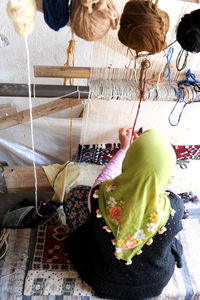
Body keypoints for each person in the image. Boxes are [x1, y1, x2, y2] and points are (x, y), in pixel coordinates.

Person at [64, 127, 184, 300]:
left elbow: (105, 177)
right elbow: (161, 183)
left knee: (76, 195)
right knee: (167, 234)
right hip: (153, 282)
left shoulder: (99, 196)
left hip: (104, 279)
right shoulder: (175, 207)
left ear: (129, 163)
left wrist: (124, 149)